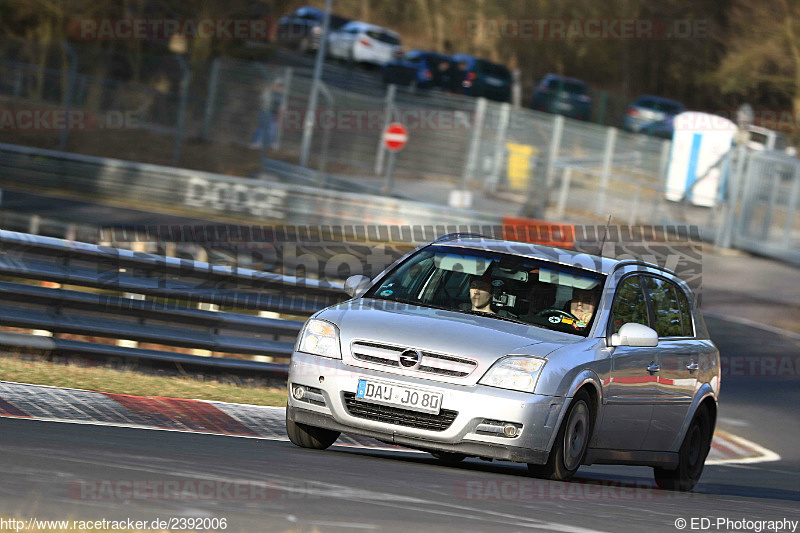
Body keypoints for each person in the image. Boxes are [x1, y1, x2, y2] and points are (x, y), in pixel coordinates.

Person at [250, 77, 284, 150]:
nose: (279, 87)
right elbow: (262, 101)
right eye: (278, 85)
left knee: (273, 128)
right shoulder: (268, 91)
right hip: (265, 111)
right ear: (274, 84)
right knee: (263, 126)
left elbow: (280, 105)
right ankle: (256, 142)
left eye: (280, 85)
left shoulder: (280, 94)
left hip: (273, 113)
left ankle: (268, 143)